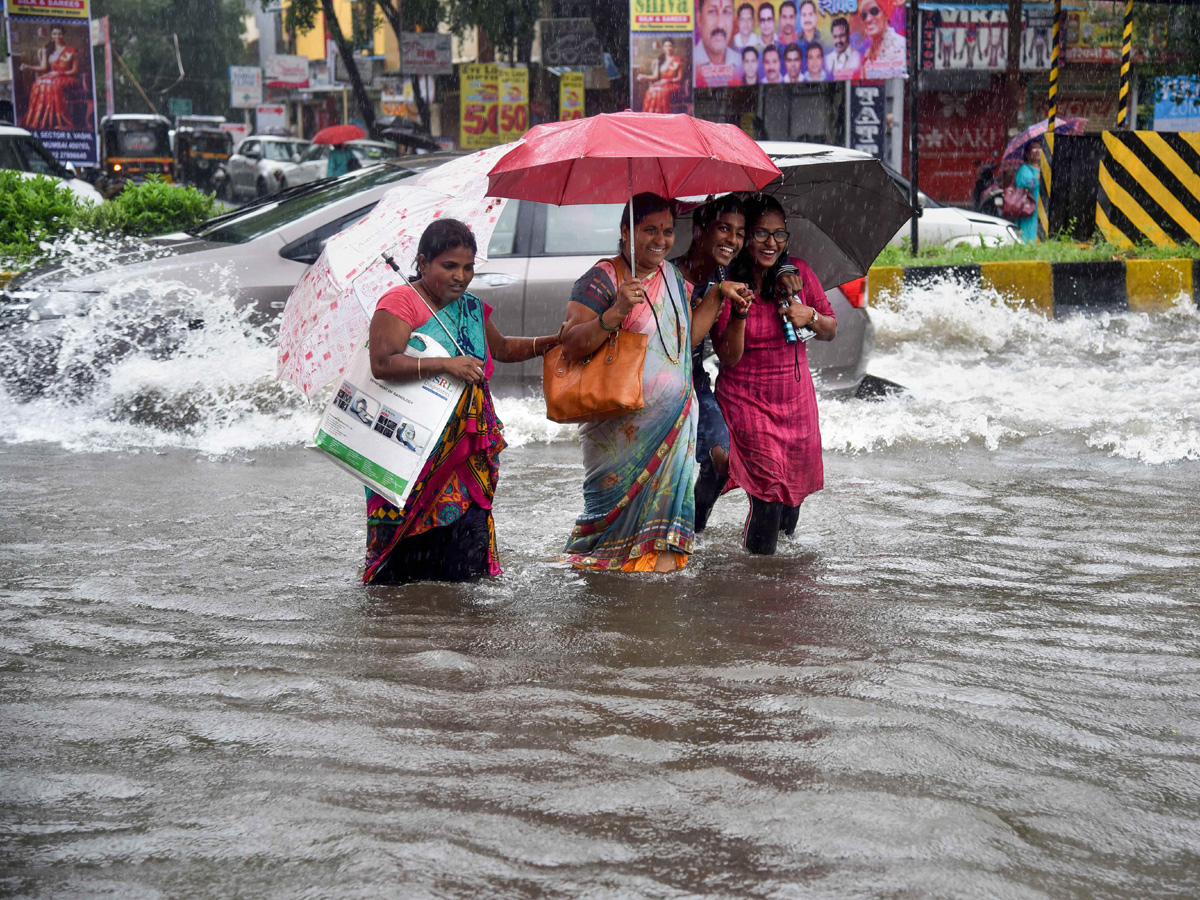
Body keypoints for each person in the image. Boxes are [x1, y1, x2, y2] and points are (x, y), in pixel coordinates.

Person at [558, 193, 749, 573]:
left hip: (672, 429)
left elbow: (686, 339)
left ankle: (651, 618)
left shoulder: (673, 278)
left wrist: (717, 295)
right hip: (617, 431)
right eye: (649, 230)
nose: (660, 240)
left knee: (661, 557)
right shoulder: (602, 278)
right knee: (601, 535)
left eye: (666, 231)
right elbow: (570, 346)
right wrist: (615, 312)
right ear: (625, 233)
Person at [363, 218, 561, 584]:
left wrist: (551, 341)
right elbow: (382, 362)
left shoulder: (470, 307)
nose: (461, 276)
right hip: (412, 451)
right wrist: (445, 364)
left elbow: (499, 349)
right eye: (449, 266)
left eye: (468, 267)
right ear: (423, 263)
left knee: (468, 573)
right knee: (400, 577)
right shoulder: (401, 302)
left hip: (466, 456)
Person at [711, 195, 838, 555]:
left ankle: (779, 592)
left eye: (779, 234)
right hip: (747, 402)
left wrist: (809, 315)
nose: (772, 243)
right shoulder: (730, 284)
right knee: (768, 501)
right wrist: (739, 313)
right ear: (744, 236)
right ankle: (758, 591)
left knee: (790, 509)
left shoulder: (798, 275)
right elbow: (728, 359)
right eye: (762, 234)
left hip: (797, 406)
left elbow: (830, 328)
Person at [673, 196, 747, 534]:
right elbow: (678, 345)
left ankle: (693, 531)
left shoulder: (724, 274)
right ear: (700, 231)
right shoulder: (669, 276)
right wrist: (709, 300)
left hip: (695, 383)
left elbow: (729, 355)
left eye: (740, 233)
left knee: (721, 460)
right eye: (723, 229)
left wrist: (738, 316)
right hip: (657, 386)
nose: (733, 240)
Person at [20, 26, 79, 131]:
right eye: (54, 34)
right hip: (52, 76)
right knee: (39, 83)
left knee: (52, 84)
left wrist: (60, 72)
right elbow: (43, 68)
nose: (57, 36)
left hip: (68, 77)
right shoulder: (48, 50)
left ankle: (58, 120)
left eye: (59, 34)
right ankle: (41, 119)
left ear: (63, 35)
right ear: (51, 36)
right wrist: (29, 66)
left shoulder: (71, 50)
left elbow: (75, 71)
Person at [695, 0, 744, 87]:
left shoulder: (742, 63)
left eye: (726, 12)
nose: (720, 24)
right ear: (699, 19)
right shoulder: (689, 63)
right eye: (712, 11)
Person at [858, 0, 907, 78]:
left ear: (886, 14)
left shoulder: (900, 46)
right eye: (864, 15)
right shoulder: (867, 55)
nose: (868, 19)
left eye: (874, 11)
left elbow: (903, 84)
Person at [638, 38, 686, 114]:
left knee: (662, 92)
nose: (668, 48)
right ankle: (650, 115)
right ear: (663, 48)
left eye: (670, 46)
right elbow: (655, 76)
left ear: (673, 47)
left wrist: (668, 80)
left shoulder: (678, 60)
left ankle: (664, 115)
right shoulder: (660, 60)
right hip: (661, 84)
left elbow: (680, 78)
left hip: (674, 84)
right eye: (666, 46)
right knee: (650, 91)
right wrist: (644, 76)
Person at [1014, 142, 1041, 242]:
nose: (1038, 152)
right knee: (1027, 236)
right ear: (1027, 153)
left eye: (1040, 149)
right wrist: (1038, 177)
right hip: (1028, 210)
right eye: (1034, 149)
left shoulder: (1042, 169)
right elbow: (1028, 183)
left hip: (1040, 211)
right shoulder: (1024, 169)